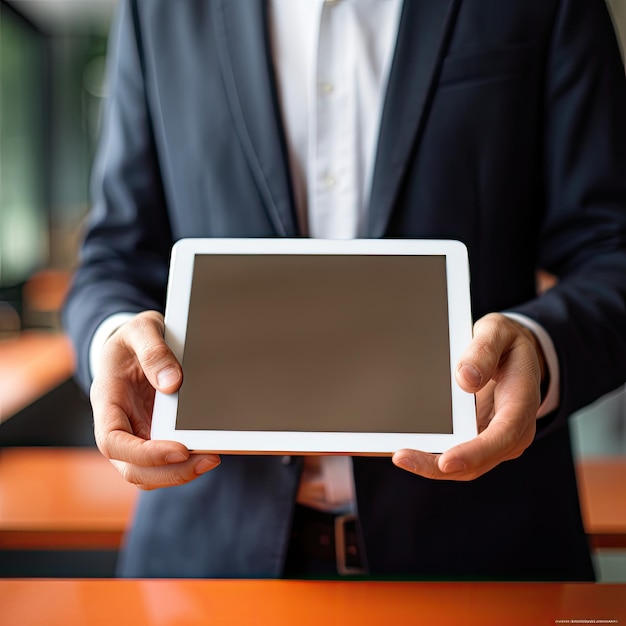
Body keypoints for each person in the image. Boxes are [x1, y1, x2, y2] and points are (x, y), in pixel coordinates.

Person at [63, 0, 626, 580]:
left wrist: (540, 347)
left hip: (485, 555)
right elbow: (112, 259)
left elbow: (613, 252)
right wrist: (113, 340)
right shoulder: (158, 11)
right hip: (207, 560)